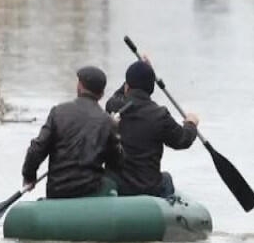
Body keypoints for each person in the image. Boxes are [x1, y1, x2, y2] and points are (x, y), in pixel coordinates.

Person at [22, 66, 123, 199]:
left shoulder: (58, 112)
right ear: (101, 94)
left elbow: (36, 149)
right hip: (90, 190)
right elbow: (116, 162)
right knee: (111, 183)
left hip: (57, 190)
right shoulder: (107, 122)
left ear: (80, 86)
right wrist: (115, 132)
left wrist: (29, 176)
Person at [105, 59, 199, 198]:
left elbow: (119, 94)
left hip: (119, 186)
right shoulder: (160, 115)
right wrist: (191, 124)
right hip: (149, 186)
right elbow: (183, 140)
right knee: (166, 178)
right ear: (151, 88)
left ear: (127, 87)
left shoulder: (114, 106)